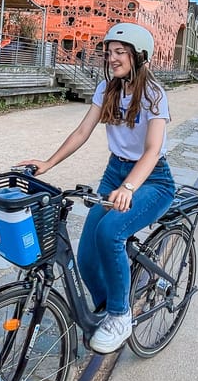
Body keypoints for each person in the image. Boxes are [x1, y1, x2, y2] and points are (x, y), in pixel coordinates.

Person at [19, 23, 175, 354]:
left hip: (152, 180)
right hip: (113, 173)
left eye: (121, 52)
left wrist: (130, 187)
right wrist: (48, 163)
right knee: (87, 257)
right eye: (109, 52)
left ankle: (120, 316)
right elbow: (82, 132)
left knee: (110, 234)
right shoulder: (107, 88)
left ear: (139, 56)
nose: (112, 57)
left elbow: (151, 151)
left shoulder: (154, 95)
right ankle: (110, 304)